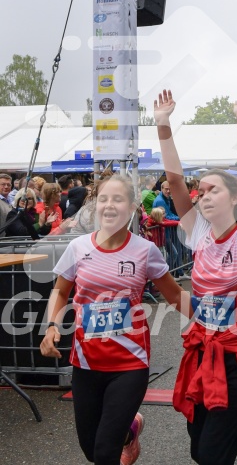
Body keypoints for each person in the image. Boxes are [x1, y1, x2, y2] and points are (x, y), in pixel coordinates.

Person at [154, 88, 237, 464]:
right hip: (199, 352)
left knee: (211, 456)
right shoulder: (197, 234)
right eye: (200, 191)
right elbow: (175, 182)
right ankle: (236, 426)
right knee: (198, 450)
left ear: (233, 198)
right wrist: (163, 126)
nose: (202, 196)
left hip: (235, 356)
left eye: (213, 190)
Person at [40, 175, 191, 465]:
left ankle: (120, 434)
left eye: (118, 199)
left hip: (129, 363)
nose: (109, 205)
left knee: (104, 453)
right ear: (95, 205)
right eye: (104, 199)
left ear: (132, 207)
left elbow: (175, 296)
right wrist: (51, 327)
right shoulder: (78, 248)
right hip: (86, 362)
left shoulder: (145, 251)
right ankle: (129, 432)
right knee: (90, 447)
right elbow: (60, 291)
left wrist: (219, 320)